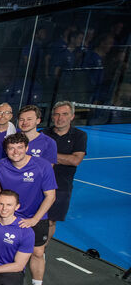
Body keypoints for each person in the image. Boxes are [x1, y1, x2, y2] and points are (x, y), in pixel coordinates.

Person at [0, 133, 57, 285]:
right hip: (9, 214)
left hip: (34, 216)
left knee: (38, 252)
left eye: (20, 147)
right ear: (6, 150)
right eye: (11, 148)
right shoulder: (1, 166)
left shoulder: (42, 166)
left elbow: (50, 196)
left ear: (27, 148)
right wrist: (2, 208)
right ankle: (1, 280)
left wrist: (34, 219)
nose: (15, 152)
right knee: (5, 246)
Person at [42, 101, 88, 242]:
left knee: (51, 221)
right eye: (56, 114)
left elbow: (75, 160)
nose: (60, 118)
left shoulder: (79, 136)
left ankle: (42, 249)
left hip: (61, 186)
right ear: (52, 117)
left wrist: (48, 155)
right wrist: (63, 158)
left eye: (64, 114)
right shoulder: (43, 133)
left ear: (72, 116)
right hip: (39, 183)